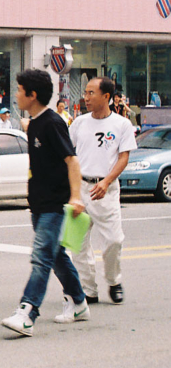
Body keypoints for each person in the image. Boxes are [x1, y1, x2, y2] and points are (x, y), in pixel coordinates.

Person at [2, 69, 90, 337]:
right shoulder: (35, 123)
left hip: (55, 204)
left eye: (19, 90)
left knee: (41, 257)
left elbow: (72, 160)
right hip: (39, 203)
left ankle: (27, 313)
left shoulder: (52, 123)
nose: (16, 95)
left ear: (33, 95)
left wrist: (76, 197)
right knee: (57, 257)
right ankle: (78, 302)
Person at [69, 77, 135, 305]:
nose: (85, 98)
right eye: (85, 93)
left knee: (114, 241)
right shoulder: (79, 123)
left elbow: (123, 157)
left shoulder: (121, 125)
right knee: (77, 245)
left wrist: (106, 181)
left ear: (106, 96)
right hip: (81, 188)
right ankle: (89, 289)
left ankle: (114, 281)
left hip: (106, 190)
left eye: (91, 93)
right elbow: (70, 155)